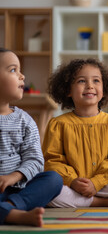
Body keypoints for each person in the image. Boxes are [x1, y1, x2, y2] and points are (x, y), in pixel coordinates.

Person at [43, 58, 108, 208]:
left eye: (96, 81)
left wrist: (96, 183)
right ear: (68, 90)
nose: (90, 86)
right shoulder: (58, 124)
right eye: (81, 81)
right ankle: (100, 202)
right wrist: (72, 181)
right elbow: (52, 161)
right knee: (48, 192)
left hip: (104, 185)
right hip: (71, 187)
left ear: (104, 88)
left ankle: (84, 201)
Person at [0, 48, 62, 226]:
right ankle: (13, 214)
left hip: (21, 189)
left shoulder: (25, 121)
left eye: (20, 70)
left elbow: (35, 160)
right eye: (13, 70)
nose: (22, 76)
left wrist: (14, 176)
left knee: (54, 179)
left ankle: (11, 207)